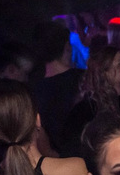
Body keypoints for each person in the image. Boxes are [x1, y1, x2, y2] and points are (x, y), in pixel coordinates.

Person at [33, 20, 86, 155]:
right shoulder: (84, 79)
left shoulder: (34, 91)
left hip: (55, 161)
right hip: (87, 156)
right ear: (67, 47)